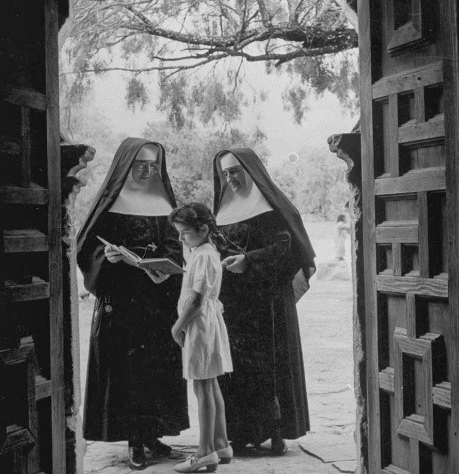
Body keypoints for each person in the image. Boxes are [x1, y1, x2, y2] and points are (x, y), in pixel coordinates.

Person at [77, 138, 189, 470]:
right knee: (127, 372)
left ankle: (153, 433)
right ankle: (134, 440)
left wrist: (165, 270)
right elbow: (87, 249)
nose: (146, 170)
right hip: (122, 303)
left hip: (157, 302)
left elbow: (175, 249)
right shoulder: (111, 204)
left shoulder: (164, 205)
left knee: (156, 369)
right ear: (126, 166)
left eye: (153, 166)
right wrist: (107, 256)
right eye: (140, 164)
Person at [212, 149, 316, 455]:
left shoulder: (271, 209)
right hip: (233, 302)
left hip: (267, 301)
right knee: (237, 369)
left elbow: (287, 249)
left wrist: (248, 260)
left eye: (235, 172)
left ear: (250, 171)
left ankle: (276, 432)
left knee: (269, 366)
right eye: (225, 173)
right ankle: (241, 434)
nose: (230, 179)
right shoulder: (221, 211)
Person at [168, 203, 233, 473]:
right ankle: (220, 443)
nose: (181, 238)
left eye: (184, 233)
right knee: (210, 382)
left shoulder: (204, 256)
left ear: (203, 230)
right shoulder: (202, 252)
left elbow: (195, 300)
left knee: (202, 386)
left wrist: (177, 326)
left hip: (199, 323)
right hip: (205, 322)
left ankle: (205, 452)